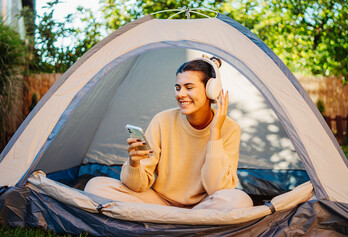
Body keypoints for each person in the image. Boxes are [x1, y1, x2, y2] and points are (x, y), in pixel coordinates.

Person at [84, 55, 253, 209]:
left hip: (202, 206)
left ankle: (167, 222)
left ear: (211, 90)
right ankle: (186, 224)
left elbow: (217, 188)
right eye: (178, 88)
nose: (181, 94)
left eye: (189, 87)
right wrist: (134, 164)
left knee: (240, 201)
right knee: (95, 186)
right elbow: (137, 186)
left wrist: (215, 132)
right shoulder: (162, 120)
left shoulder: (230, 129)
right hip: (160, 203)